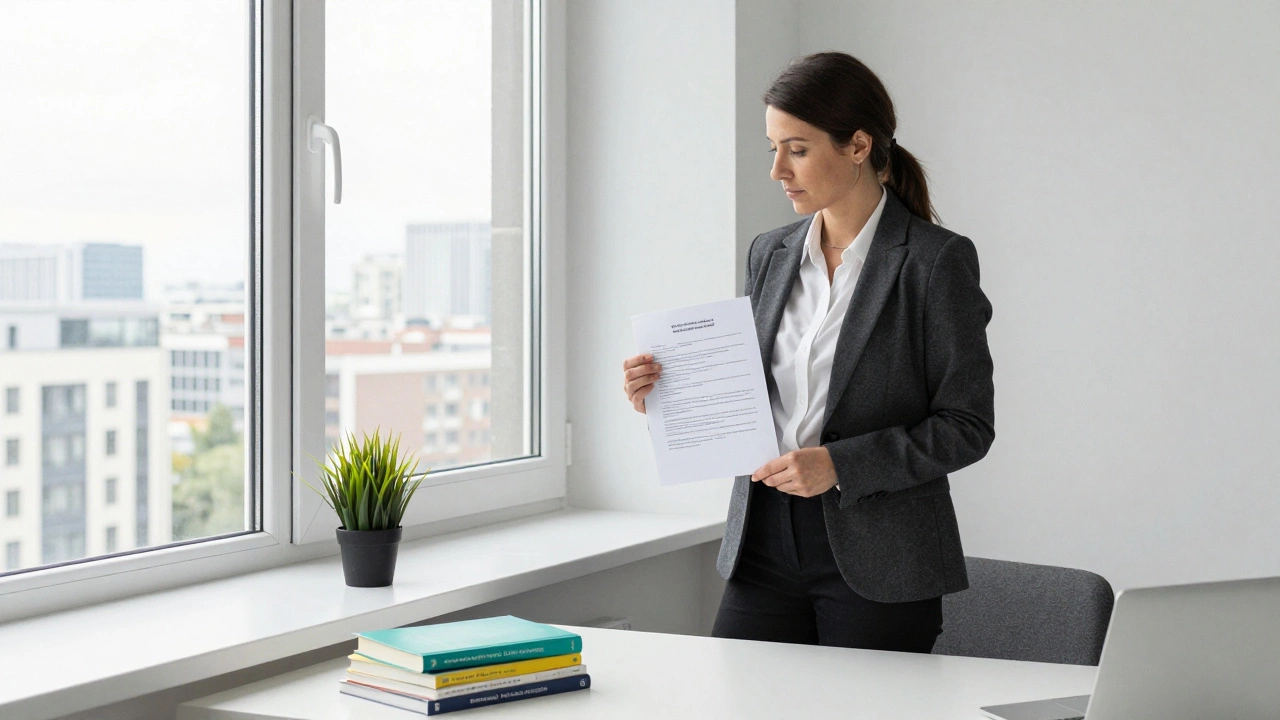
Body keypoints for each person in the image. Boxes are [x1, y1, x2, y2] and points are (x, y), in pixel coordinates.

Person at [621, 52, 995, 653]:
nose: (776, 170)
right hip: (762, 542)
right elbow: (755, 394)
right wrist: (670, 397)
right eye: (772, 148)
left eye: (796, 149)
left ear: (858, 146)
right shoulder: (769, 253)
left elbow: (967, 426)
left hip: (880, 555)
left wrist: (839, 464)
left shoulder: (933, 262)